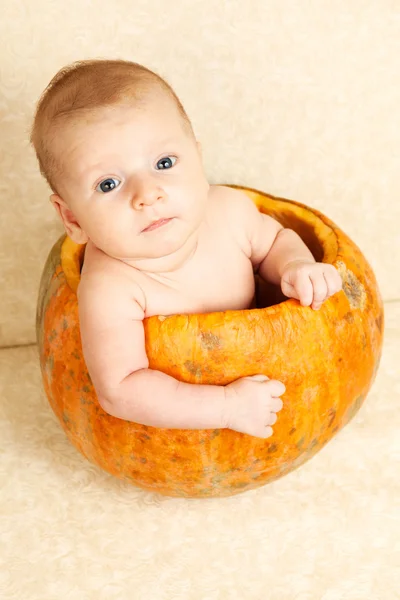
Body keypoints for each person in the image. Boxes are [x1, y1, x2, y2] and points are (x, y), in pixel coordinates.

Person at [31, 59, 342, 439]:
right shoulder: (109, 288)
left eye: (164, 163)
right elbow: (121, 388)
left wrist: (295, 266)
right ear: (72, 219)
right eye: (108, 184)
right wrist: (226, 406)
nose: (147, 194)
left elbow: (275, 242)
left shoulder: (229, 211)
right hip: (189, 426)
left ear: (197, 158)